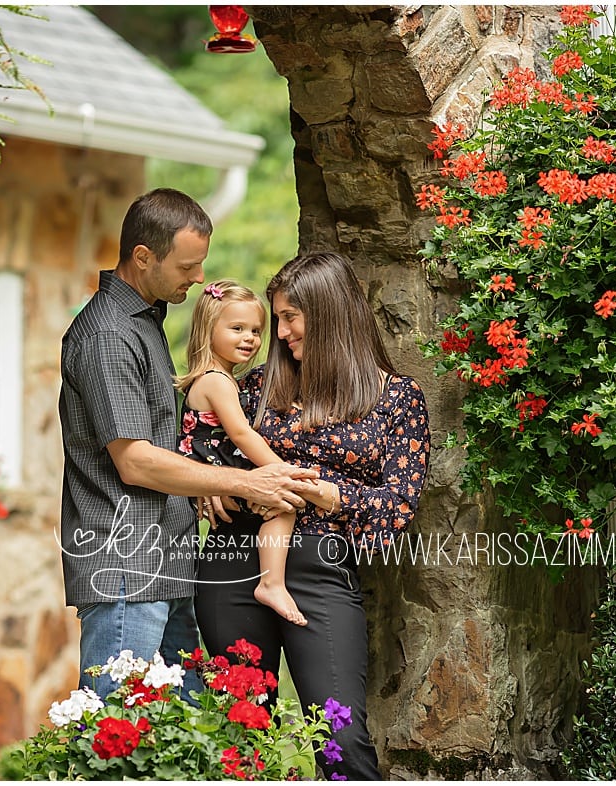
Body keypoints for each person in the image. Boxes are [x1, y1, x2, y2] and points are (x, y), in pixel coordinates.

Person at [58, 188, 316, 696]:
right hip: (126, 566)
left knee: (183, 737)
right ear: (143, 257)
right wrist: (245, 481)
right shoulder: (108, 336)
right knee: (119, 738)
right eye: (187, 266)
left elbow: (169, 440)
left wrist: (202, 481)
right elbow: (133, 461)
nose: (199, 278)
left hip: (168, 564)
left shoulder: (146, 323)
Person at [195, 252, 428, 781]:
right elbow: (204, 438)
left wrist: (322, 491)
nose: (279, 334)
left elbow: (395, 513)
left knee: (339, 738)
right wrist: (207, 484)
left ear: (329, 315)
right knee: (240, 737)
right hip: (233, 563)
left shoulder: (396, 399)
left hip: (321, 571)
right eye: (275, 319)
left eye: (290, 317)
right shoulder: (255, 389)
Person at [174, 280, 307, 627]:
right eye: (237, 329)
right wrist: (282, 471)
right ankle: (272, 583)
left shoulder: (223, 378)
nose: (250, 338)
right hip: (224, 470)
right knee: (282, 503)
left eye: (256, 331)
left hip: (220, 470)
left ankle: (269, 580)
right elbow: (240, 433)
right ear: (208, 329)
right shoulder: (216, 380)